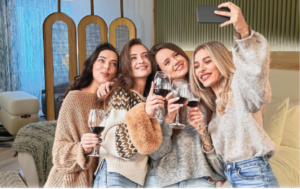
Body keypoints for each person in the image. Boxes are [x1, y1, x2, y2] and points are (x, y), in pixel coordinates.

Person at [189, 2, 279, 188]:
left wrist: (243, 32)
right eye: (196, 66)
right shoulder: (213, 111)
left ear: (221, 61)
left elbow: (256, 75)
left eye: (207, 61)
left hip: (254, 173)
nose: (201, 69)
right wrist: (202, 132)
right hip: (232, 177)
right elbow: (218, 167)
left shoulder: (239, 87)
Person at [129, 41, 225, 188]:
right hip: (162, 180)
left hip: (200, 177)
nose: (175, 61)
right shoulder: (157, 100)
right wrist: (168, 121)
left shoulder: (207, 91)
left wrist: (220, 172)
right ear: (161, 72)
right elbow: (156, 154)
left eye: (176, 55)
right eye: (167, 62)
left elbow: (221, 138)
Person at [44, 43, 120, 187]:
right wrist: (82, 148)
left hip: (100, 178)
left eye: (113, 64)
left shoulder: (114, 99)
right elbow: (58, 154)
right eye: (102, 60)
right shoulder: (75, 98)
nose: (106, 67)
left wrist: (114, 85)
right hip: (69, 180)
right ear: (92, 65)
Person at [93, 38, 163, 188]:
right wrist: (145, 114)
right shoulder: (121, 94)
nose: (141, 60)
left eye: (145, 56)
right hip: (115, 174)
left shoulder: (147, 100)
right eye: (133, 58)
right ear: (126, 65)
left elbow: (150, 145)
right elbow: (112, 140)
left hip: (138, 178)